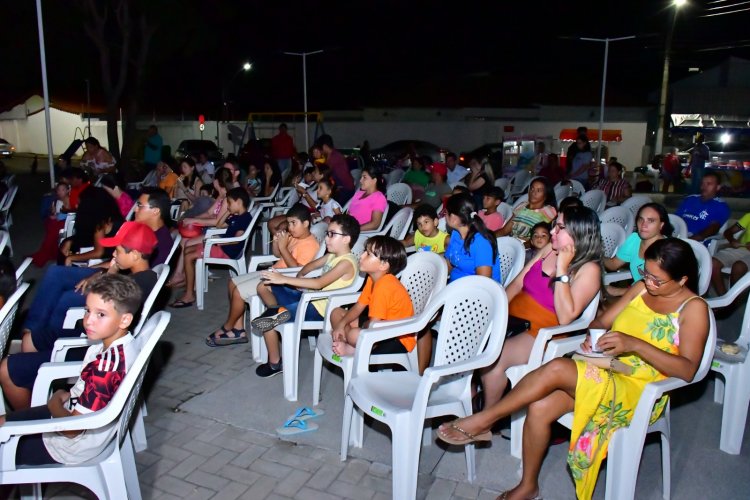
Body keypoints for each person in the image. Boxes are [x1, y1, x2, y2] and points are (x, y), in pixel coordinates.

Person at [438, 238, 709, 500]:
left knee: (557, 367)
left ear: (683, 279)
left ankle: (485, 420)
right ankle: (528, 486)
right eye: (645, 273)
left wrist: (635, 345)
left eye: (657, 279)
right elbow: (602, 320)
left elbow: (687, 370)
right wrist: (597, 339)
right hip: (607, 369)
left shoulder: (693, 309)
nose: (648, 282)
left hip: (640, 388)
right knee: (540, 405)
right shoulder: (640, 289)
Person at [2, 222, 158, 411]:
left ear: (134, 254)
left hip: (96, 346)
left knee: (7, 369)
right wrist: (112, 270)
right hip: (96, 339)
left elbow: (104, 303)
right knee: (30, 340)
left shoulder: (136, 285)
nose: (114, 255)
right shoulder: (140, 277)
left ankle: (32, 420)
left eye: (117, 250)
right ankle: (36, 387)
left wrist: (110, 272)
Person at [0, 274, 144, 466]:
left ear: (124, 320)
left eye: (100, 314)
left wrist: (54, 403)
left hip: (66, 445)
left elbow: (72, 431)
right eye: (87, 311)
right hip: (69, 418)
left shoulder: (107, 366)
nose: (88, 321)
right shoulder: (117, 346)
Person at [478, 205, 603, 409]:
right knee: (472, 339)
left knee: (493, 360)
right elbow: (518, 284)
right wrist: (495, 313)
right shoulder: (548, 250)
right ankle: (472, 397)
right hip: (515, 318)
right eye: (555, 225)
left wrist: (562, 268)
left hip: (542, 331)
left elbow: (565, 317)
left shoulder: (589, 269)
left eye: (560, 228)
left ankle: (486, 419)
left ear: (578, 233)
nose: (553, 231)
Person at [249, 214, 361, 377]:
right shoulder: (332, 256)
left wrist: (283, 279)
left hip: (320, 310)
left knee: (266, 322)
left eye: (332, 234)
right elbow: (310, 266)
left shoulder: (346, 262)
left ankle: (274, 363)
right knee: (264, 286)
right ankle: (276, 309)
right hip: (309, 300)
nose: (327, 239)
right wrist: (299, 277)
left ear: (346, 239)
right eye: (327, 233)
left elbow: (319, 283)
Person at [205, 204, 320, 346]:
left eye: (293, 223)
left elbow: (298, 273)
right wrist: (277, 242)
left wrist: (283, 248)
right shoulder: (295, 236)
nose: (290, 227)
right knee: (233, 282)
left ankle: (228, 327)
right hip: (275, 272)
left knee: (238, 292)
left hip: (284, 281)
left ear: (306, 223)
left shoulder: (310, 244)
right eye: (289, 223)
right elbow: (278, 255)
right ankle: (238, 329)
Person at [170, 188, 254, 309]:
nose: (228, 206)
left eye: (229, 203)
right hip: (221, 246)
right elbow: (220, 224)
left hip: (226, 250)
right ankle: (189, 287)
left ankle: (189, 295)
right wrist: (228, 212)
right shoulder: (236, 216)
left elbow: (236, 239)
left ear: (239, 202)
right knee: (188, 250)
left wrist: (216, 242)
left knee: (189, 256)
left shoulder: (244, 218)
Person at [330, 236, 414, 357]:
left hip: (396, 336)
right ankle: (346, 343)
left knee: (354, 334)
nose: (362, 255)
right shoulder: (372, 278)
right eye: (364, 251)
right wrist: (342, 325)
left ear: (383, 265)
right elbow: (359, 307)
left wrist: (350, 327)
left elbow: (374, 326)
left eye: (368, 254)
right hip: (378, 325)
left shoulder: (384, 286)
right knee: (336, 313)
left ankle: (353, 349)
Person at [605, 203, 672, 296]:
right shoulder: (635, 239)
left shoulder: (667, 250)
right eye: (641, 219)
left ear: (661, 225)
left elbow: (660, 289)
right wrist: (595, 253)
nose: (643, 225)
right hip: (634, 292)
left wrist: (618, 291)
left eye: (651, 220)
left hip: (655, 298)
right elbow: (613, 265)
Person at [496, 177, 557, 245]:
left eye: (538, 190)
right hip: (511, 243)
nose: (533, 193)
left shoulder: (549, 211)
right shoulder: (522, 206)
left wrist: (519, 247)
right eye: (532, 189)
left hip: (529, 248)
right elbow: (505, 230)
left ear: (546, 194)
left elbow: (544, 238)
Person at [675, 171, 730, 243]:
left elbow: (712, 230)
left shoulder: (721, 206)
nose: (704, 187)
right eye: (702, 183)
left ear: (718, 187)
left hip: (697, 243)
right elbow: (675, 219)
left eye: (709, 184)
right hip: (678, 237)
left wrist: (687, 241)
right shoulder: (689, 199)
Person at [30, 182, 71, 267]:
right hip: (58, 220)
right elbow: (56, 212)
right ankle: (50, 253)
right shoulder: (57, 199)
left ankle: (43, 256)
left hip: (66, 222)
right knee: (49, 223)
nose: (60, 192)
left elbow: (67, 214)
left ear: (67, 190)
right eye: (59, 190)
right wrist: (54, 213)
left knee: (51, 231)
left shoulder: (68, 199)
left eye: (63, 190)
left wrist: (56, 216)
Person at [711, 212, 750, 296]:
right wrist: (732, 240)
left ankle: (732, 301)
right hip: (741, 249)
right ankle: (724, 299)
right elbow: (728, 232)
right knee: (712, 263)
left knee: (738, 267)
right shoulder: (749, 216)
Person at [348, 165, 388, 231]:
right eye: (361, 177)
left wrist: (354, 230)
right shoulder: (358, 194)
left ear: (374, 180)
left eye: (364, 177)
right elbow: (349, 214)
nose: (360, 180)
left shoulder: (378, 198)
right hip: (348, 228)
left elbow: (375, 224)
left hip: (361, 233)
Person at [317, 134, 354, 203]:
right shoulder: (333, 154)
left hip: (345, 190)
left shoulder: (334, 157)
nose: (321, 152)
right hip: (343, 187)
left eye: (320, 150)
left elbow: (325, 173)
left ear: (324, 146)